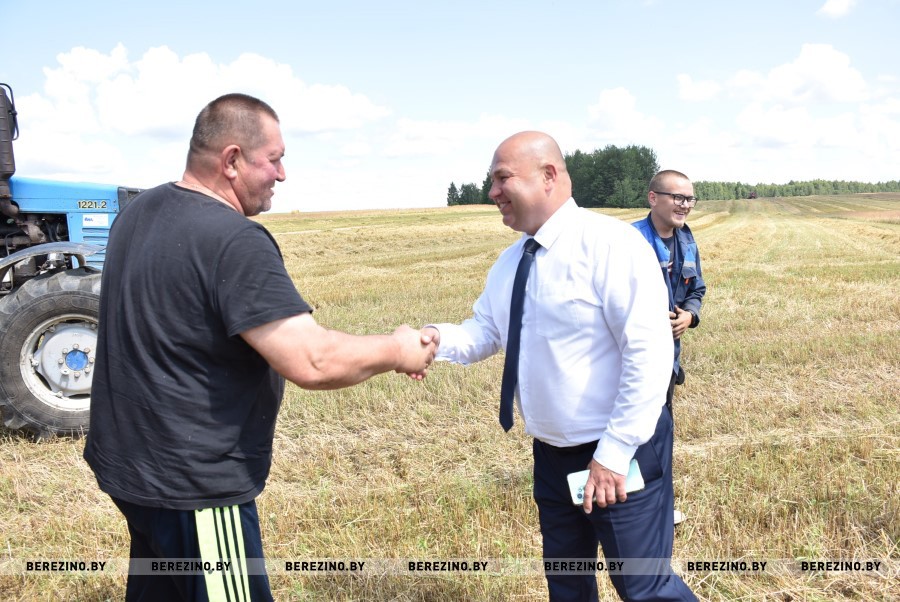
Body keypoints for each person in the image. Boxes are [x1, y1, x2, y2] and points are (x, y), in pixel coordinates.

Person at [83, 93, 435, 602]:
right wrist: (400, 349)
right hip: (195, 487)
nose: (282, 174)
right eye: (274, 159)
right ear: (231, 160)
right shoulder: (234, 240)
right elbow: (313, 360)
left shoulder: (139, 211)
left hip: (130, 468)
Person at [420, 132, 696, 601]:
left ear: (548, 175)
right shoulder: (511, 261)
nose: (492, 192)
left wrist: (613, 453)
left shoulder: (612, 245)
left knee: (644, 589)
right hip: (551, 455)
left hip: (620, 450)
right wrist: (430, 340)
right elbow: (486, 330)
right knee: (567, 585)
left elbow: (650, 355)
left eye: (502, 178)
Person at [632, 171, 706, 526]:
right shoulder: (629, 241)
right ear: (653, 198)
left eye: (689, 199)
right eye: (677, 197)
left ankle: (657, 508)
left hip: (667, 359)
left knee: (660, 435)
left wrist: (689, 315)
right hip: (631, 358)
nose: (685, 205)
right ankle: (631, 508)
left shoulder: (687, 242)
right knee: (632, 431)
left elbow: (697, 290)